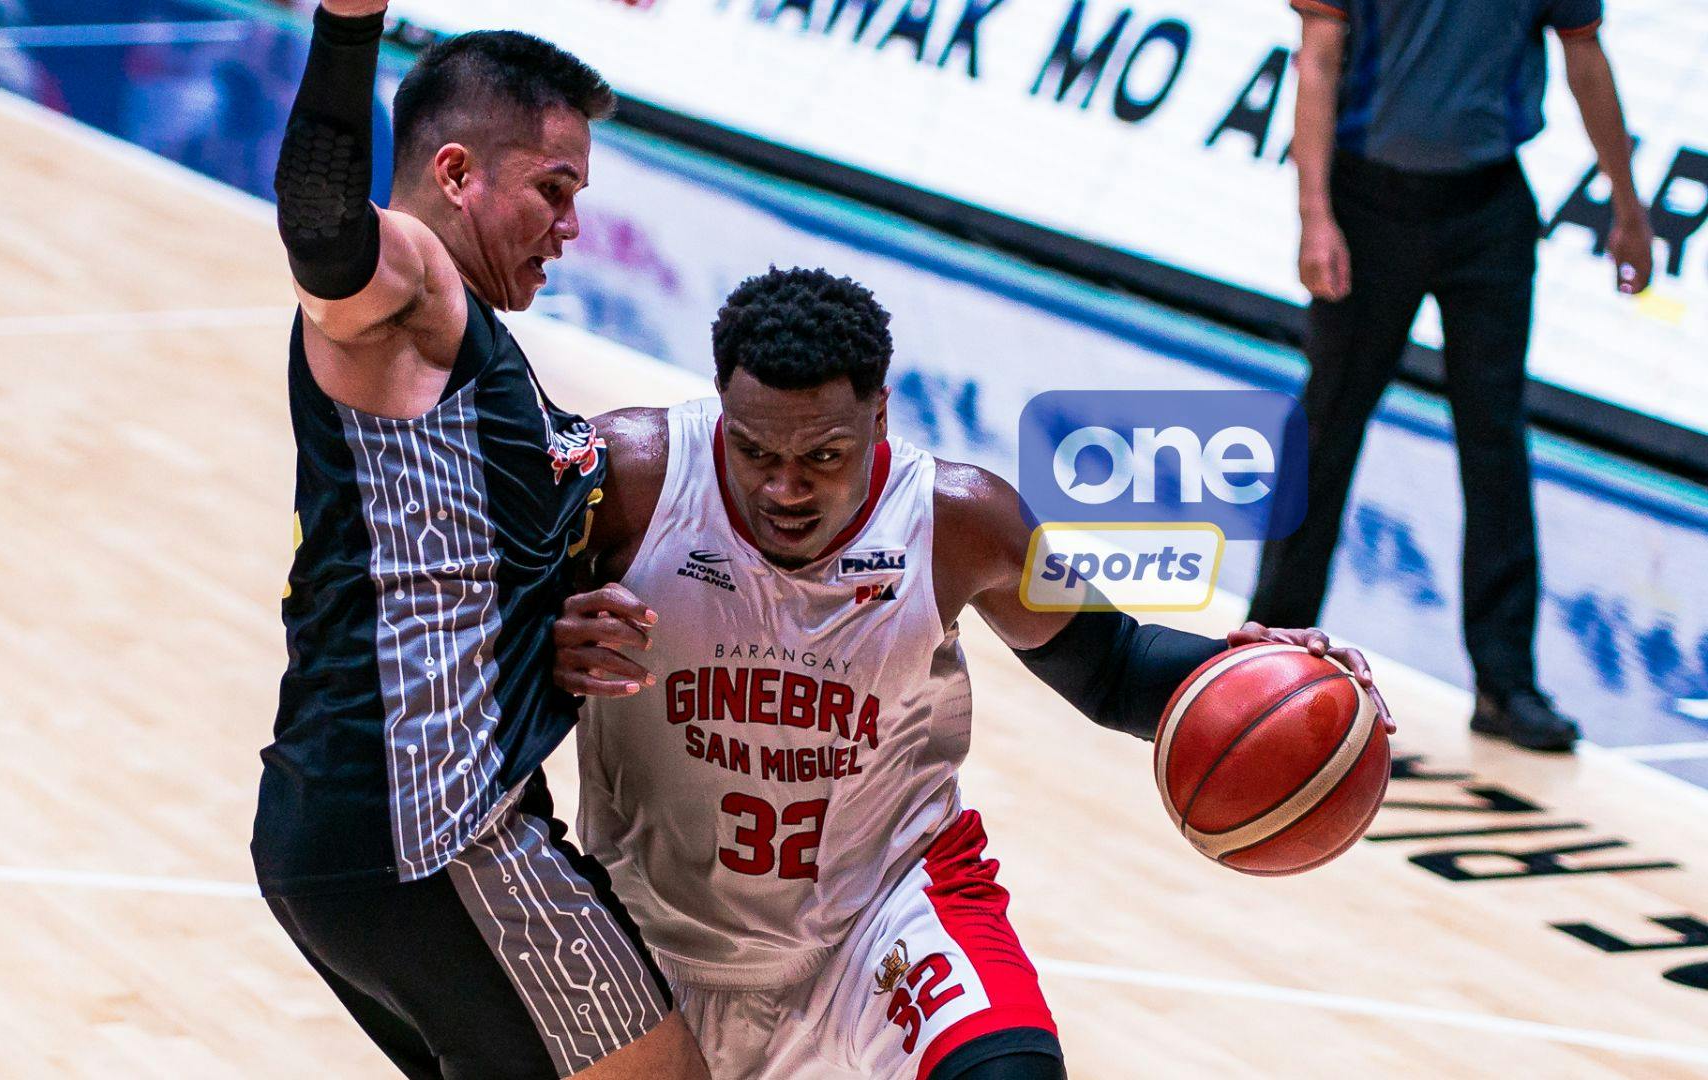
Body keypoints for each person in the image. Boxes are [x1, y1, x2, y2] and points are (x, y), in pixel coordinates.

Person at [552, 268, 1394, 1080]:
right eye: (756, 450)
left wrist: (1258, 672)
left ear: (881, 416)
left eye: (822, 455)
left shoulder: (964, 521)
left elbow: (1112, 665)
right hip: (641, 936)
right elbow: (453, 638)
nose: (784, 487)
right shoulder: (632, 478)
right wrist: (546, 639)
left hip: (878, 918)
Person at [249, 4, 707, 1076]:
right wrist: (349, 26)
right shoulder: (411, 285)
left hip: (345, 825)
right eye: (554, 190)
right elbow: (322, 230)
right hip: (434, 831)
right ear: (455, 173)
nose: (572, 227)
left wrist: (553, 623)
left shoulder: (469, 347)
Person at [1251, 0, 1654, 752]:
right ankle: (1268, 650)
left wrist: (1628, 207)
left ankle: (1505, 687)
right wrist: (1314, 213)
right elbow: (1318, 60)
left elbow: (1586, 62)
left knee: (1495, 437)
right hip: (1367, 200)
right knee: (1327, 425)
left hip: (1487, 205)